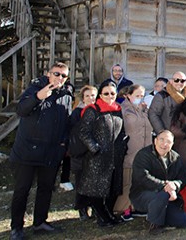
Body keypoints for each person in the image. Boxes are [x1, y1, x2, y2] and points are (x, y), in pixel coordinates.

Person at [10, 63, 74, 239]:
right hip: (27, 152)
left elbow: (67, 122)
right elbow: (21, 110)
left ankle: (40, 222)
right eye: (57, 74)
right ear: (48, 74)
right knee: (22, 190)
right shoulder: (34, 89)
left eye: (64, 76)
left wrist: (63, 144)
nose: (60, 78)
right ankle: (16, 227)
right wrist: (38, 97)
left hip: (51, 152)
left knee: (46, 189)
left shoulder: (66, 95)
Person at [78, 80, 127, 227]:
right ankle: (101, 216)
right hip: (97, 157)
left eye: (113, 93)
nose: (110, 96)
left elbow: (122, 130)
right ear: (100, 94)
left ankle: (109, 213)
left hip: (115, 156)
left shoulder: (118, 109)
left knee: (113, 187)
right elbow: (83, 132)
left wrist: (123, 146)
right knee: (97, 189)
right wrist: (95, 148)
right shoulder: (92, 110)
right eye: (106, 93)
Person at [130, 130, 186, 234]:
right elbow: (142, 177)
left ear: (172, 144)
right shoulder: (143, 155)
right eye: (161, 139)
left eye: (168, 141)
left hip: (167, 196)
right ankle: (155, 225)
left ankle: (159, 214)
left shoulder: (176, 158)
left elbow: (183, 178)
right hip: (142, 194)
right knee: (163, 195)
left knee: (182, 221)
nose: (164, 144)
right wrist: (164, 186)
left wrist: (175, 185)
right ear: (155, 140)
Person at [115, 84, 153, 220]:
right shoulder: (123, 109)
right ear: (128, 95)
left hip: (145, 150)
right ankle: (123, 209)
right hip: (130, 150)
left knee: (140, 181)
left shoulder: (144, 109)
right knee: (128, 181)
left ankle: (136, 206)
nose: (140, 98)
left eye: (142, 95)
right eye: (137, 95)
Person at [69, 85, 97, 220]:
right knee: (81, 183)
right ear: (83, 98)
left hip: (95, 153)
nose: (91, 98)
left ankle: (94, 207)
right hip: (81, 153)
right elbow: (74, 132)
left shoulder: (98, 110)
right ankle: (82, 209)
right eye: (87, 96)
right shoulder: (77, 112)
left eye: (93, 95)